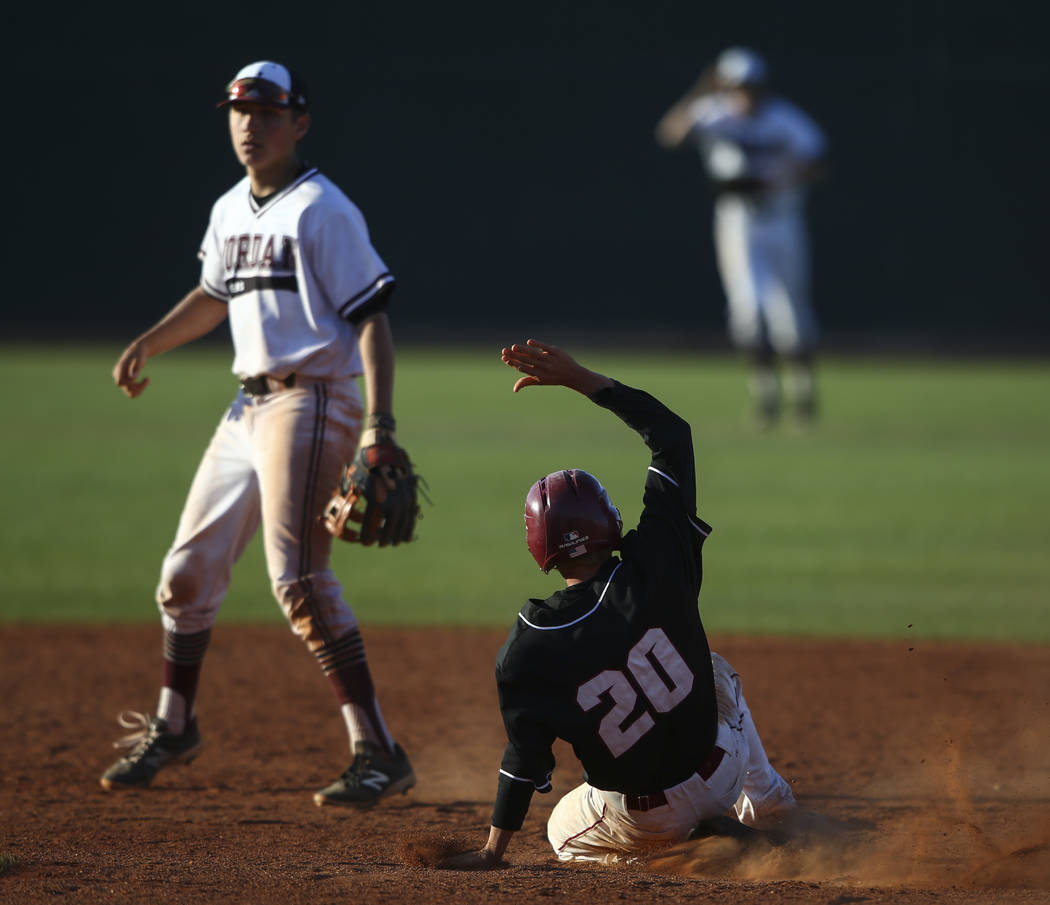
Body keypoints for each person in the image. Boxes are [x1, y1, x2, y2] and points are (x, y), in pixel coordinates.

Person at [100, 61, 416, 808]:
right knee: (183, 576)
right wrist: (151, 339)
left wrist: (380, 424)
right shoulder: (228, 209)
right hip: (248, 408)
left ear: (300, 122)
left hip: (312, 404)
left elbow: (372, 318)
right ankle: (175, 725)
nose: (252, 124)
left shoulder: (322, 211)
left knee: (299, 579)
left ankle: (379, 750)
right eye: (241, 111)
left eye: (269, 112)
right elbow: (214, 296)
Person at [441, 339, 796, 869]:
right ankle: (768, 803)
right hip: (722, 773)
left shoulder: (529, 644)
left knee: (563, 834)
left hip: (645, 818)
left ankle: (678, 857)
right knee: (715, 670)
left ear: (541, 551)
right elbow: (672, 436)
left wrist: (493, 851)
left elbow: (524, 760)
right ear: (610, 523)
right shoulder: (657, 557)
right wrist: (580, 378)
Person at [656, 48, 827, 425]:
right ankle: (765, 396)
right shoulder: (713, 112)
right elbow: (669, 134)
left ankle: (802, 396)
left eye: (749, 87)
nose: (743, 94)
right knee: (748, 311)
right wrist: (702, 90)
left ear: (762, 87)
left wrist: (778, 179)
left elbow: (817, 159)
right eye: (735, 86)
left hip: (781, 219)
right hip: (738, 223)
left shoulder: (782, 118)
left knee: (791, 314)